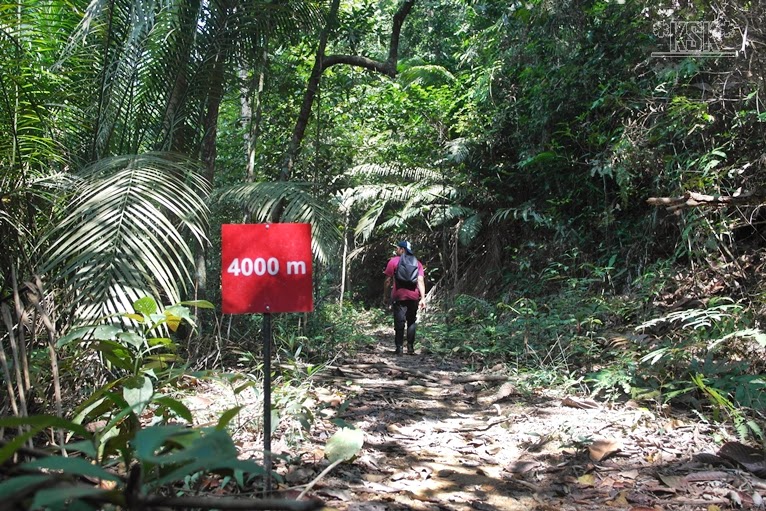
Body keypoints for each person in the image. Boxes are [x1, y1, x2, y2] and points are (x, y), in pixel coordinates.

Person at [383, 240, 426, 355]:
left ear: (402, 249)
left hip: (399, 296)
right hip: (413, 297)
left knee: (399, 321)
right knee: (411, 321)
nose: (396, 250)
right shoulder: (417, 263)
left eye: (398, 248)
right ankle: (410, 347)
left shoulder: (393, 261)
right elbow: (420, 281)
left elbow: (388, 280)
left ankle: (399, 348)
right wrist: (423, 298)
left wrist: (386, 295)